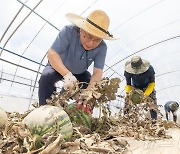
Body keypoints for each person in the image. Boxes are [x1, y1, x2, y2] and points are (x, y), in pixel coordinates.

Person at [38, 10, 118, 113]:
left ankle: (78, 115)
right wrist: (67, 75)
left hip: (80, 72)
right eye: (88, 36)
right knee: (46, 76)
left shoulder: (102, 48)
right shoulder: (68, 31)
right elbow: (52, 53)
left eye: (97, 40)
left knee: (91, 87)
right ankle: (43, 112)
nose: (91, 43)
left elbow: (97, 73)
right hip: (58, 66)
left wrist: (88, 93)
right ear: (81, 30)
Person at [124, 56, 157, 120]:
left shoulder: (149, 69)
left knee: (153, 103)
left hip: (148, 87)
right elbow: (128, 84)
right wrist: (129, 94)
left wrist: (146, 95)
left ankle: (154, 120)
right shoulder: (127, 71)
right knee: (127, 101)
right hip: (135, 87)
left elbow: (152, 83)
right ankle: (126, 118)